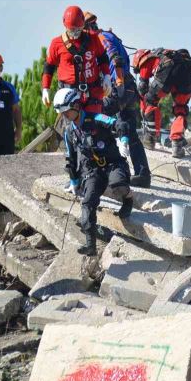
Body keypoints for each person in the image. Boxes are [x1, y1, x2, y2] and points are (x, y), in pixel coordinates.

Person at [54, 88, 133, 256]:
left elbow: (119, 124)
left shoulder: (96, 117)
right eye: (62, 113)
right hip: (92, 171)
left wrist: (123, 141)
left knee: (117, 184)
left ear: (76, 105)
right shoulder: (69, 132)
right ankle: (91, 245)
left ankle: (128, 199)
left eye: (66, 111)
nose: (64, 116)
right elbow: (71, 159)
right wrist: (74, 181)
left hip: (113, 163)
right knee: (87, 204)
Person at [83, 11, 151, 187]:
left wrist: (118, 82)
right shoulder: (108, 35)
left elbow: (115, 58)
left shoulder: (101, 38)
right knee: (129, 129)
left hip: (118, 86)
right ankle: (143, 174)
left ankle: (104, 169)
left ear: (87, 27)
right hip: (129, 87)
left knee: (97, 118)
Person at [132, 48, 191, 158]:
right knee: (180, 109)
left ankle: (150, 138)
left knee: (150, 101)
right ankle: (177, 144)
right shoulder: (173, 55)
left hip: (169, 71)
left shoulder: (146, 59)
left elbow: (142, 87)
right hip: (187, 74)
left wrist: (143, 107)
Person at [42, 6, 110, 114]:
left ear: (83, 24)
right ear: (65, 26)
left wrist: (107, 76)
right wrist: (46, 88)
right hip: (68, 94)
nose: (75, 33)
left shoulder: (93, 38)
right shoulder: (56, 43)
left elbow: (102, 57)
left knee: (93, 126)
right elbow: (49, 67)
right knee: (70, 128)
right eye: (72, 30)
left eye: (78, 29)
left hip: (93, 93)